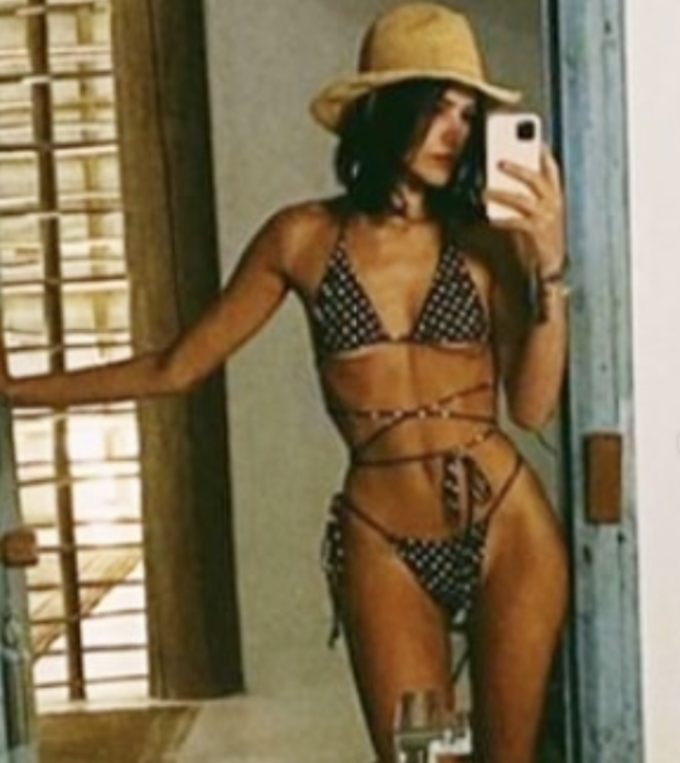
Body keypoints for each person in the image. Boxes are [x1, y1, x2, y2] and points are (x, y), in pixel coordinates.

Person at [0, 3, 569, 762]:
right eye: (436, 108)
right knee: (426, 757)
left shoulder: (487, 240)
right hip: (386, 547)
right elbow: (178, 366)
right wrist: (19, 390)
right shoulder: (302, 238)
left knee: (510, 758)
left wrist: (549, 266)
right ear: (383, 110)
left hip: (508, 530)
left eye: (467, 115)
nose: (454, 133)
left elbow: (531, 405)